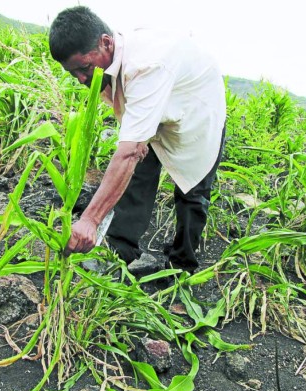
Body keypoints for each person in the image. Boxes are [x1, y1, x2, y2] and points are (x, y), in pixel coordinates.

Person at [49, 6, 226, 273]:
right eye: (73, 73)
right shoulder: (113, 59)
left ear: (106, 42)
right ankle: (119, 251)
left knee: (193, 191)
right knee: (138, 171)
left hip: (196, 111)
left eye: (84, 67)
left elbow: (127, 152)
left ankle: (182, 266)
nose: (82, 78)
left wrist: (89, 220)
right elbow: (132, 147)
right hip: (161, 97)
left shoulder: (145, 64)